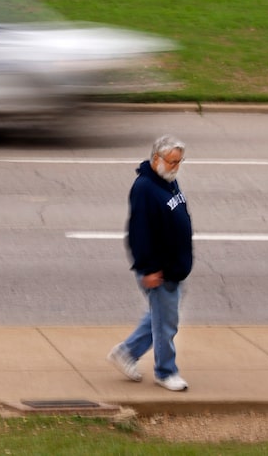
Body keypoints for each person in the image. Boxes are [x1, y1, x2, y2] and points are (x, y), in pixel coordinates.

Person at [108, 135, 193, 391]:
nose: (176, 167)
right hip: (159, 270)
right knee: (166, 324)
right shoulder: (145, 188)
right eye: (172, 161)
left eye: (179, 162)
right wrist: (148, 269)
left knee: (162, 316)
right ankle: (166, 372)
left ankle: (127, 352)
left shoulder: (167, 180)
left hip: (173, 267)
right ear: (156, 159)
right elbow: (138, 233)